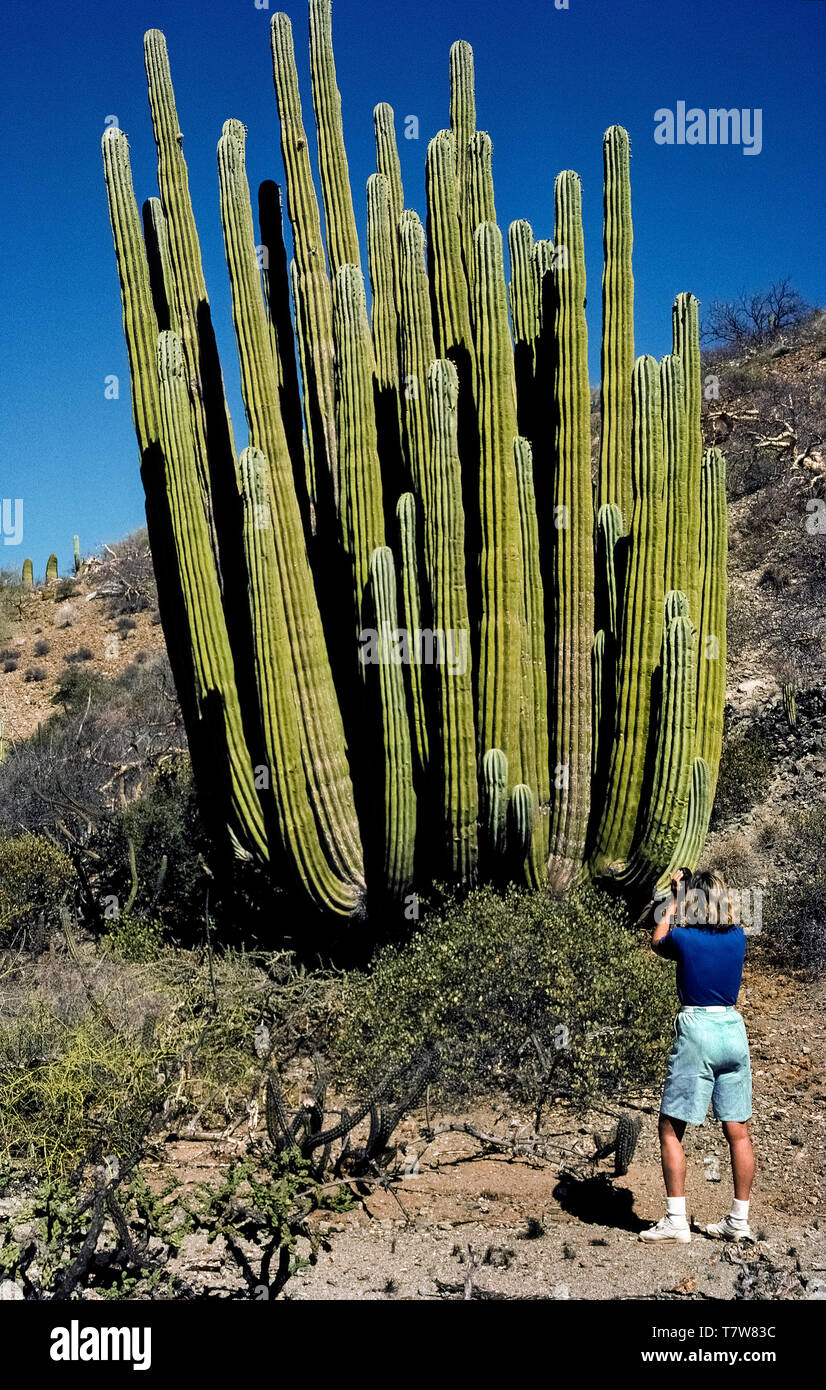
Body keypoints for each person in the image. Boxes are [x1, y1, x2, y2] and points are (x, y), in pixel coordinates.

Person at [639, 868, 755, 1244]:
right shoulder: (738, 938)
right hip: (733, 1030)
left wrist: (674, 898)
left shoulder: (684, 939)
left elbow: (657, 939)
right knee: (737, 1131)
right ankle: (739, 1221)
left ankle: (676, 1220)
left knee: (671, 1127)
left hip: (698, 1030)